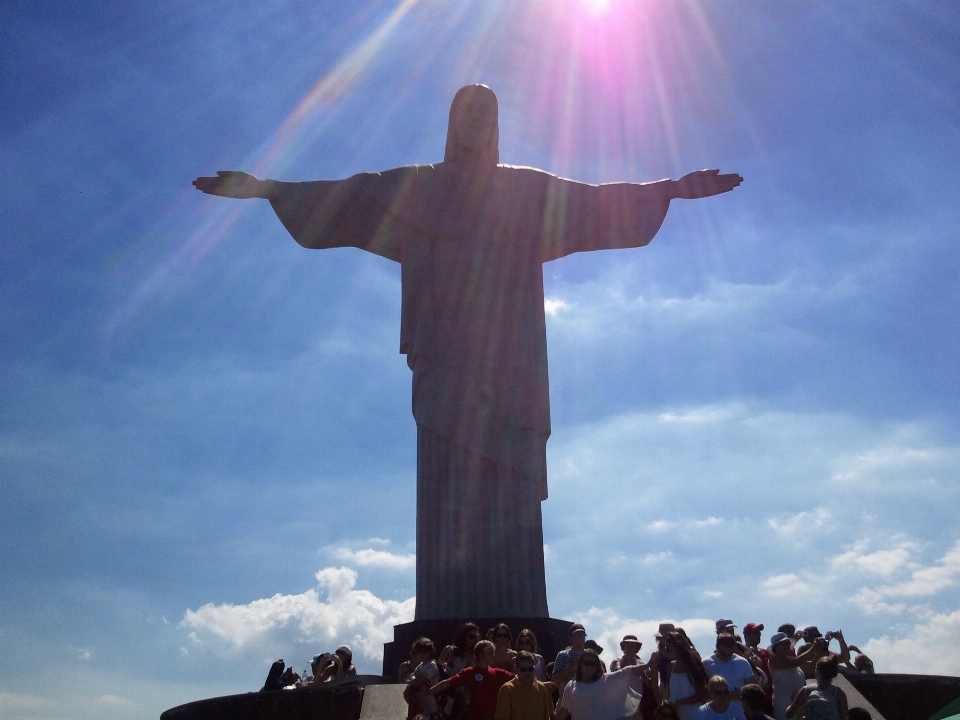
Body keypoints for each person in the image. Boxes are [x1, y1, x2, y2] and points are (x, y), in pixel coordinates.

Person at [193, 85, 742, 621]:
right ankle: (444, 606)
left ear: (497, 122)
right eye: (467, 107)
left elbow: (595, 201)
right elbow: (350, 197)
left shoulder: (525, 190)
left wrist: (668, 188)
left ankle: (520, 608)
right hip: (448, 350)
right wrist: (267, 190)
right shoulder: (415, 187)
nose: (477, 116)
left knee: (511, 466)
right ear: (452, 120)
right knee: (447, 466)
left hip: (510, 353)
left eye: (487, 108)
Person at [429, 640, 515, 720]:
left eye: (493, 653)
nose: (494, 656)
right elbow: (448, 682)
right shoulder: (470, 672)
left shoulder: (497, 673)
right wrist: (428, 692)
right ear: (481, 655)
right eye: (490, 653)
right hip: (475, 716)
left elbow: (517, 678)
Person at [555, 649, 646, 720]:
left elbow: (626, 671)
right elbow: (563, 712)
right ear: (580, 664)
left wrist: (648, 665)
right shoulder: (571, 686)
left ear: (597, 666)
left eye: (593, 664)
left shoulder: (604, 681)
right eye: (586, 663)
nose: (589, 666)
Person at [767, 632, 821, 720]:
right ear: (775, 647)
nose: (787, 646)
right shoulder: (774, 659)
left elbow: (811, 665)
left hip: (799, 701)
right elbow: (796, 662)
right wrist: (813, 647)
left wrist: (818, 650)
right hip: (783, 703)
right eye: (783, 644)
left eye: (787, 643)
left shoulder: (791, 659)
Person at [702, 634, 759, 716]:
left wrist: (736, 694)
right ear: (716, 647)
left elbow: (753, 688)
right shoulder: (706, 663)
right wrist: (719, 695)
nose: (726, 658)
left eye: (729, 654)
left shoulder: (742, 662)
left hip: (740, 711)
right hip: (715, 713)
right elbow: (701, 689)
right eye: (723, 654)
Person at [662, 631, 708, 720]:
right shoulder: (670, 667)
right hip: (675, 714)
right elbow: (670, 691)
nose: (666, 652)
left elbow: (701, 694)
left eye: (669, 649)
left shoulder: (693, 666)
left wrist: (681, 702)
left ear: (678, 648)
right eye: (665, 648)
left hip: (694, 714)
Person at [494, 651, 553, 720]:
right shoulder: (507, 689)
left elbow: (545, 716)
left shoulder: (541, 688)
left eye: (530, 669)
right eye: (523, 669)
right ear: (516, 668)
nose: (527, 673)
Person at [785, 655, 847, 720]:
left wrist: (792, 702)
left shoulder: (806, 690)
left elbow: (789, 714)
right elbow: (844, 717)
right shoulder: (838, 693)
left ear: (818, 671)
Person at [407, 638, 442, 720]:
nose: (421, 655)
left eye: (424, 652)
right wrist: (413, 679)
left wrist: (413, 679)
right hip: (423, 710)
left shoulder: (431, 665)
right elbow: (408, 680)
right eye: (418, 652)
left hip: (434, 710)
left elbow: (417, 683)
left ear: (430, 651)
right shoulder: (421, 666)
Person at [553, 623, 588, 689]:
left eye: (582, 635)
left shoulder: (590, 655)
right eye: (577, 635)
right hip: (568, 693)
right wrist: (572, 665)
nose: (580, 637)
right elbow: (555, 680)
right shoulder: (563, 655)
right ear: (571, 637)